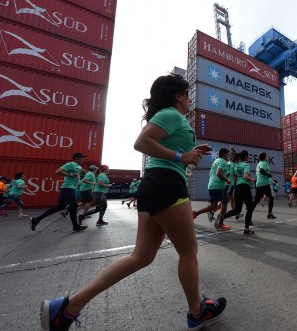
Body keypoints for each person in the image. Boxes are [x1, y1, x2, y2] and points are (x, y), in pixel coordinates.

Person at [38, 74, 226, 331]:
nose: (190, 99)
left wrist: (191, 152)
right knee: (188, 251)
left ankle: (66, 309)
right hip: (167, 183)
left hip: (154, 184)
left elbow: (167, 147)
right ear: (178, 95)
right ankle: (197, 311)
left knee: (141, 256)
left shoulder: (170, 117)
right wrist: (182, 155)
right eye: (187, 94)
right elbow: (141, 143)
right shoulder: (171, 114)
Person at [31, 154, 89, 232]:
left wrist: (81, 175)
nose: (84, 159)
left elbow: (76, 177)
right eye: (82, 158)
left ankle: (37, 219)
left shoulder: (79, 167)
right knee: (73, 206)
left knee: (61, 207)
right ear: (77, 158)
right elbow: (58, 172)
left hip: (70, 188)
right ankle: (76, 227)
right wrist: (71, 174)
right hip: (68, 188)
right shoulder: (70, 164)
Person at [192, 148, 231, 230]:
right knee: (225, 202)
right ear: (224, 155)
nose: (228, 156)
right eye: (228, 154)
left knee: (213, 206)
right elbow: (218, 173)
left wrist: (225, 176)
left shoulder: (216, 161)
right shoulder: (224, 162)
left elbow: (211, 173)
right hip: (219, 186)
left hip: (211, 185)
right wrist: (226, 180)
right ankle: (220, 224)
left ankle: (195, 214)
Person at [225, 150, 256, 235]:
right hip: (245, 187)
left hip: (238, 187)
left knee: (237, 210)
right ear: (246, 156)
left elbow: (234, 178)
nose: (248, 157)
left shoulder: (237, 165)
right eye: (248, 155)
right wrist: (252, 179)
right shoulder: (246, 165)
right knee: (250, 208)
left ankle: (222, 217)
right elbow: (245, 176)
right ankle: (246, 229)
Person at [252, 152, 277, 219]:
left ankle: (249, 215)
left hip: (259, 184)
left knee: (256, 201)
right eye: (266, 156)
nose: (267, 157)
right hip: (264, 184)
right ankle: (269, 214)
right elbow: (262, 171)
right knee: (271, 198)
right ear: (264, 157)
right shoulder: (264, 163)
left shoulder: (258, 164)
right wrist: (269, 175)